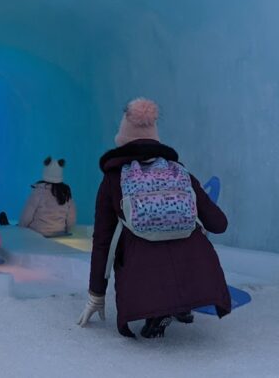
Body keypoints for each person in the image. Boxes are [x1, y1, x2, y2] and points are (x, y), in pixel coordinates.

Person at [77, 98, 231, 338]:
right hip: (198, 274)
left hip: (143, 284)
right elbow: (219, 224)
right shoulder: (178, 171)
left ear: (122, 139)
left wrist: (97, 293)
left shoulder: (113, 178)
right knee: (189, 248)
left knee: (131, 247)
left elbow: (103, 242)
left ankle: (158, 309)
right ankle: (182, 303)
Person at [17, 157, 77, 237]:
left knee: (18, 227)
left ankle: (7, 226)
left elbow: (26, 217)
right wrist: (68, 230)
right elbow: (71, 218)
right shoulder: (66, 194)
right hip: (59, 233)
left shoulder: (38, 191)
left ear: (45, 172)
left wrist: (20, 227)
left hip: (38, 233)